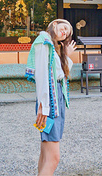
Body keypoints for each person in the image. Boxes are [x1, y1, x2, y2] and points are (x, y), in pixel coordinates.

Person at [26, 19, 76, 176]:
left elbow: (59, 73)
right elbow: (42, 76)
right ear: (55, 24)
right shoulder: (44, 41)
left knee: (46, 154)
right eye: (64, 28)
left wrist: (66, 55)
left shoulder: (52, 47)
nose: (64, 32)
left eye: (67, 33)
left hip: (55, 98)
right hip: (50, 101)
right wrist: (45, 106)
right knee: (54, 158)